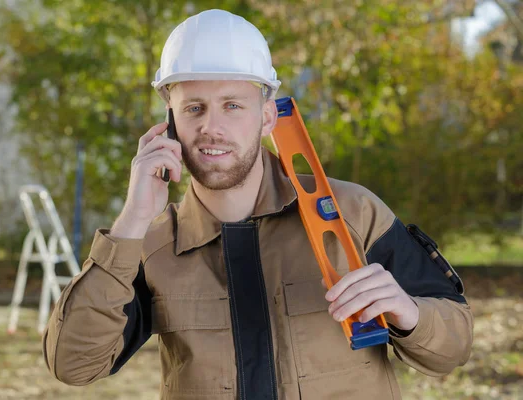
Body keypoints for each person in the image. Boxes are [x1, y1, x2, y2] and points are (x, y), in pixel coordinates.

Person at [43, 9, 473, 400]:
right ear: (170, 120)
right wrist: (132, 221)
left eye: (233, 105)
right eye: (194, 107)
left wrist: (409, 313)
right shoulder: (148, 245)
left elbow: (452, 350)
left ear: (267, 116)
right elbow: (74, 365)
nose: (212, 127)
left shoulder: (351, 214)